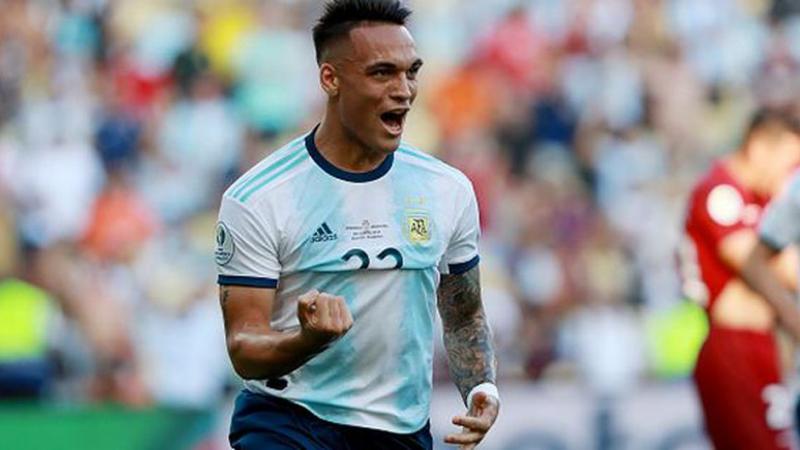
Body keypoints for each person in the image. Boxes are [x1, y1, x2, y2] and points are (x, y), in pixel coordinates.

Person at [214, 1, 499, 449]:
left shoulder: (447, 190)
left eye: (411, 72)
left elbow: (464, 315)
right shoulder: (259, 197)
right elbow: (244, 347)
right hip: (289, 422)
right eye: (382, 73)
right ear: (330, 79)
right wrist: (307, 340)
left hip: (398, 431)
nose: (403, 90)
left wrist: (481, 386)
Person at [680, 110, 800, 450]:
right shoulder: (721, 192)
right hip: (734, 346)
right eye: (789, 163)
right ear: (759, 148)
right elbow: (759, 264)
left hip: (758, 344)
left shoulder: (753, 197)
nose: (790, 175)